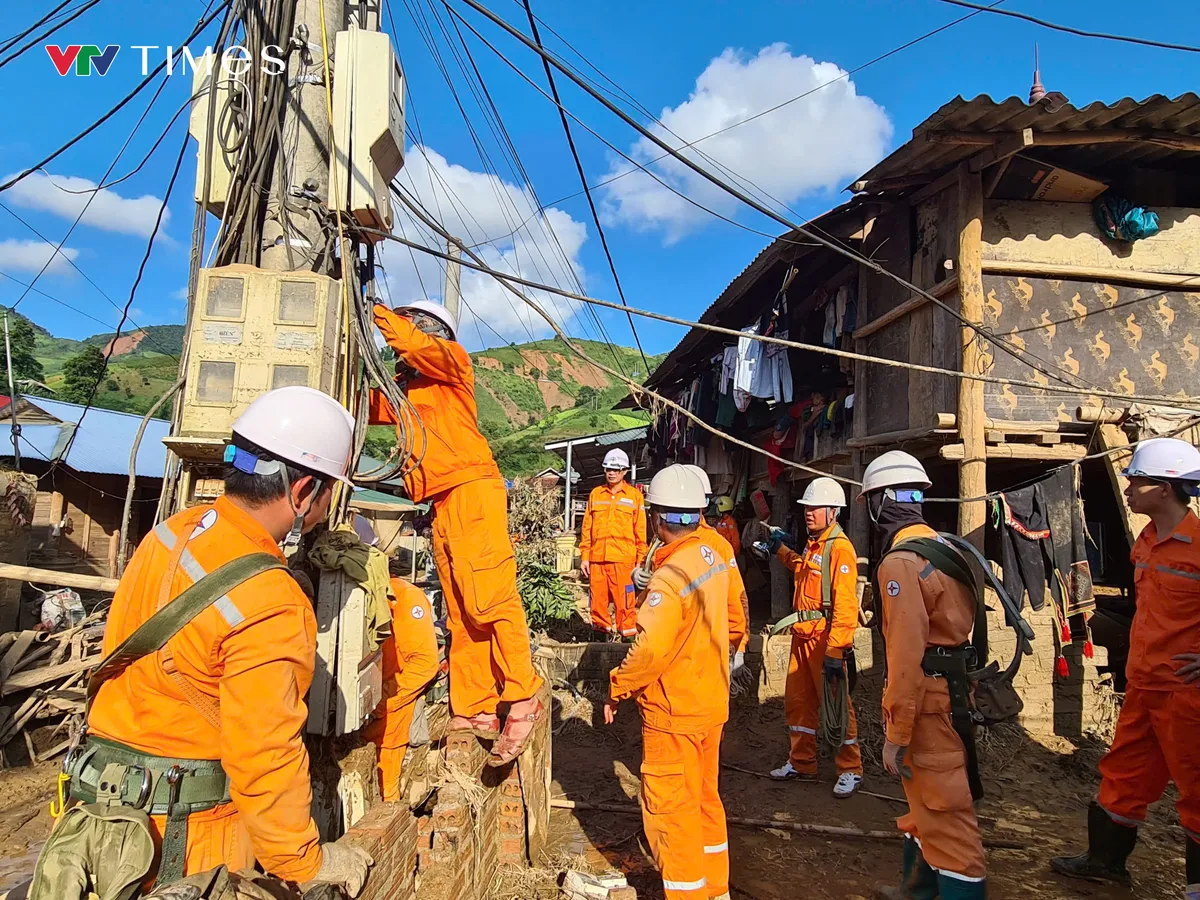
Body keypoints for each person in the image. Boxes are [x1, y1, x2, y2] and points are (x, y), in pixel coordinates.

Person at [80, 387, 373, 895]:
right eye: (328, 496)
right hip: (184, 838)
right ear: (303, 491)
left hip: (96, 813)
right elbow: (265, 750)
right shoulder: (272, 598)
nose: (326, 511)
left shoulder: (170, 533)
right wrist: (301, 862)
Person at [370, 300, 544, 766]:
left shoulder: (452, 361)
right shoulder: (410, 393)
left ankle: (523, 697)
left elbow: (413, 343)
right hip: (443, 501)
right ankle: (475, 708)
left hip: (472, 490)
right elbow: (366, 404)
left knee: (490, 598)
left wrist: (373, 311)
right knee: (462, 613)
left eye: (412, 329)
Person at [1051, 438, 1200, 896]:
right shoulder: (1146, 541)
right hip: (1143, 686)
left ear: (1165, 488)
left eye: (1137, 480)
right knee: (1123, 776)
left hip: (1185, 695)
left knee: (1196, 790)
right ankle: (1105, 863)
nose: (1129, 488)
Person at [605, 465, 747, 900]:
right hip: (710, 703)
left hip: (673, 712)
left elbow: (648, 651)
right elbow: (737, 619)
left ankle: (688, 893)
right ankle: (716, 889)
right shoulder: (713, 554)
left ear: (657, 516)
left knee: (672, 811)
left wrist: (617, 687)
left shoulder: (670, 578)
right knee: (706, 800)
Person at [862, 450, 986, 899]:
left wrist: (896, 731)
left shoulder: (900, 564)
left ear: (879, 503)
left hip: (929, 702)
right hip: (951, 692)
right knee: (923, 803)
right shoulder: (947, 547)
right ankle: (917, 891)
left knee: (946, 815)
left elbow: (905, 657)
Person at [764, 477, 863, 798]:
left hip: (824, 639)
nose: (809, 512)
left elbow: (847, 605)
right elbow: (803, 571)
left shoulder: (840, 549)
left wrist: (836, 651)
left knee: (835, 706)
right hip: (802, 637)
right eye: (807, 507)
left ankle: (850, 769)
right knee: (798, 702)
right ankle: (802, 761)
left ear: (833, 512)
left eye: (816, 507)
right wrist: (780, 551)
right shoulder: (813, 544)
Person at [354, 518, 440, 803]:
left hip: (387, 729)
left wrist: (382, 700)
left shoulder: (404, 598)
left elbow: (424, 663)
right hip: (352, 732)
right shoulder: (343, 600)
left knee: (384, 801)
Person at [579, 448, 647, 639]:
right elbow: (587, 529)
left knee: (625, 603)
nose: (611, 472)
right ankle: (601, 638)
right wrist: (585, 557)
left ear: (624, 471)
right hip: (597, 559)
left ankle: (627, 642)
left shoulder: (634, 496)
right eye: (608, 468)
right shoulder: (595, 494)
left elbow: (640, 532)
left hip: (624, 561)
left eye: (616, 469)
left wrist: (640, 562)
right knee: (597, 602)